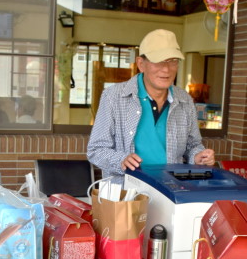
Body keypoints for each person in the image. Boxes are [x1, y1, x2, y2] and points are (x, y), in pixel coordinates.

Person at [86, 29, 215, 179]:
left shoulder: (184, 100)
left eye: (173, 61)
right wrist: (120, 160)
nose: (166, 69)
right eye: (158, 61)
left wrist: (198, 156)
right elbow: (96, 150)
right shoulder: (113, 96)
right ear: (141, 63)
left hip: (171, 188)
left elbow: (193, 145)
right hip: (126, 194)